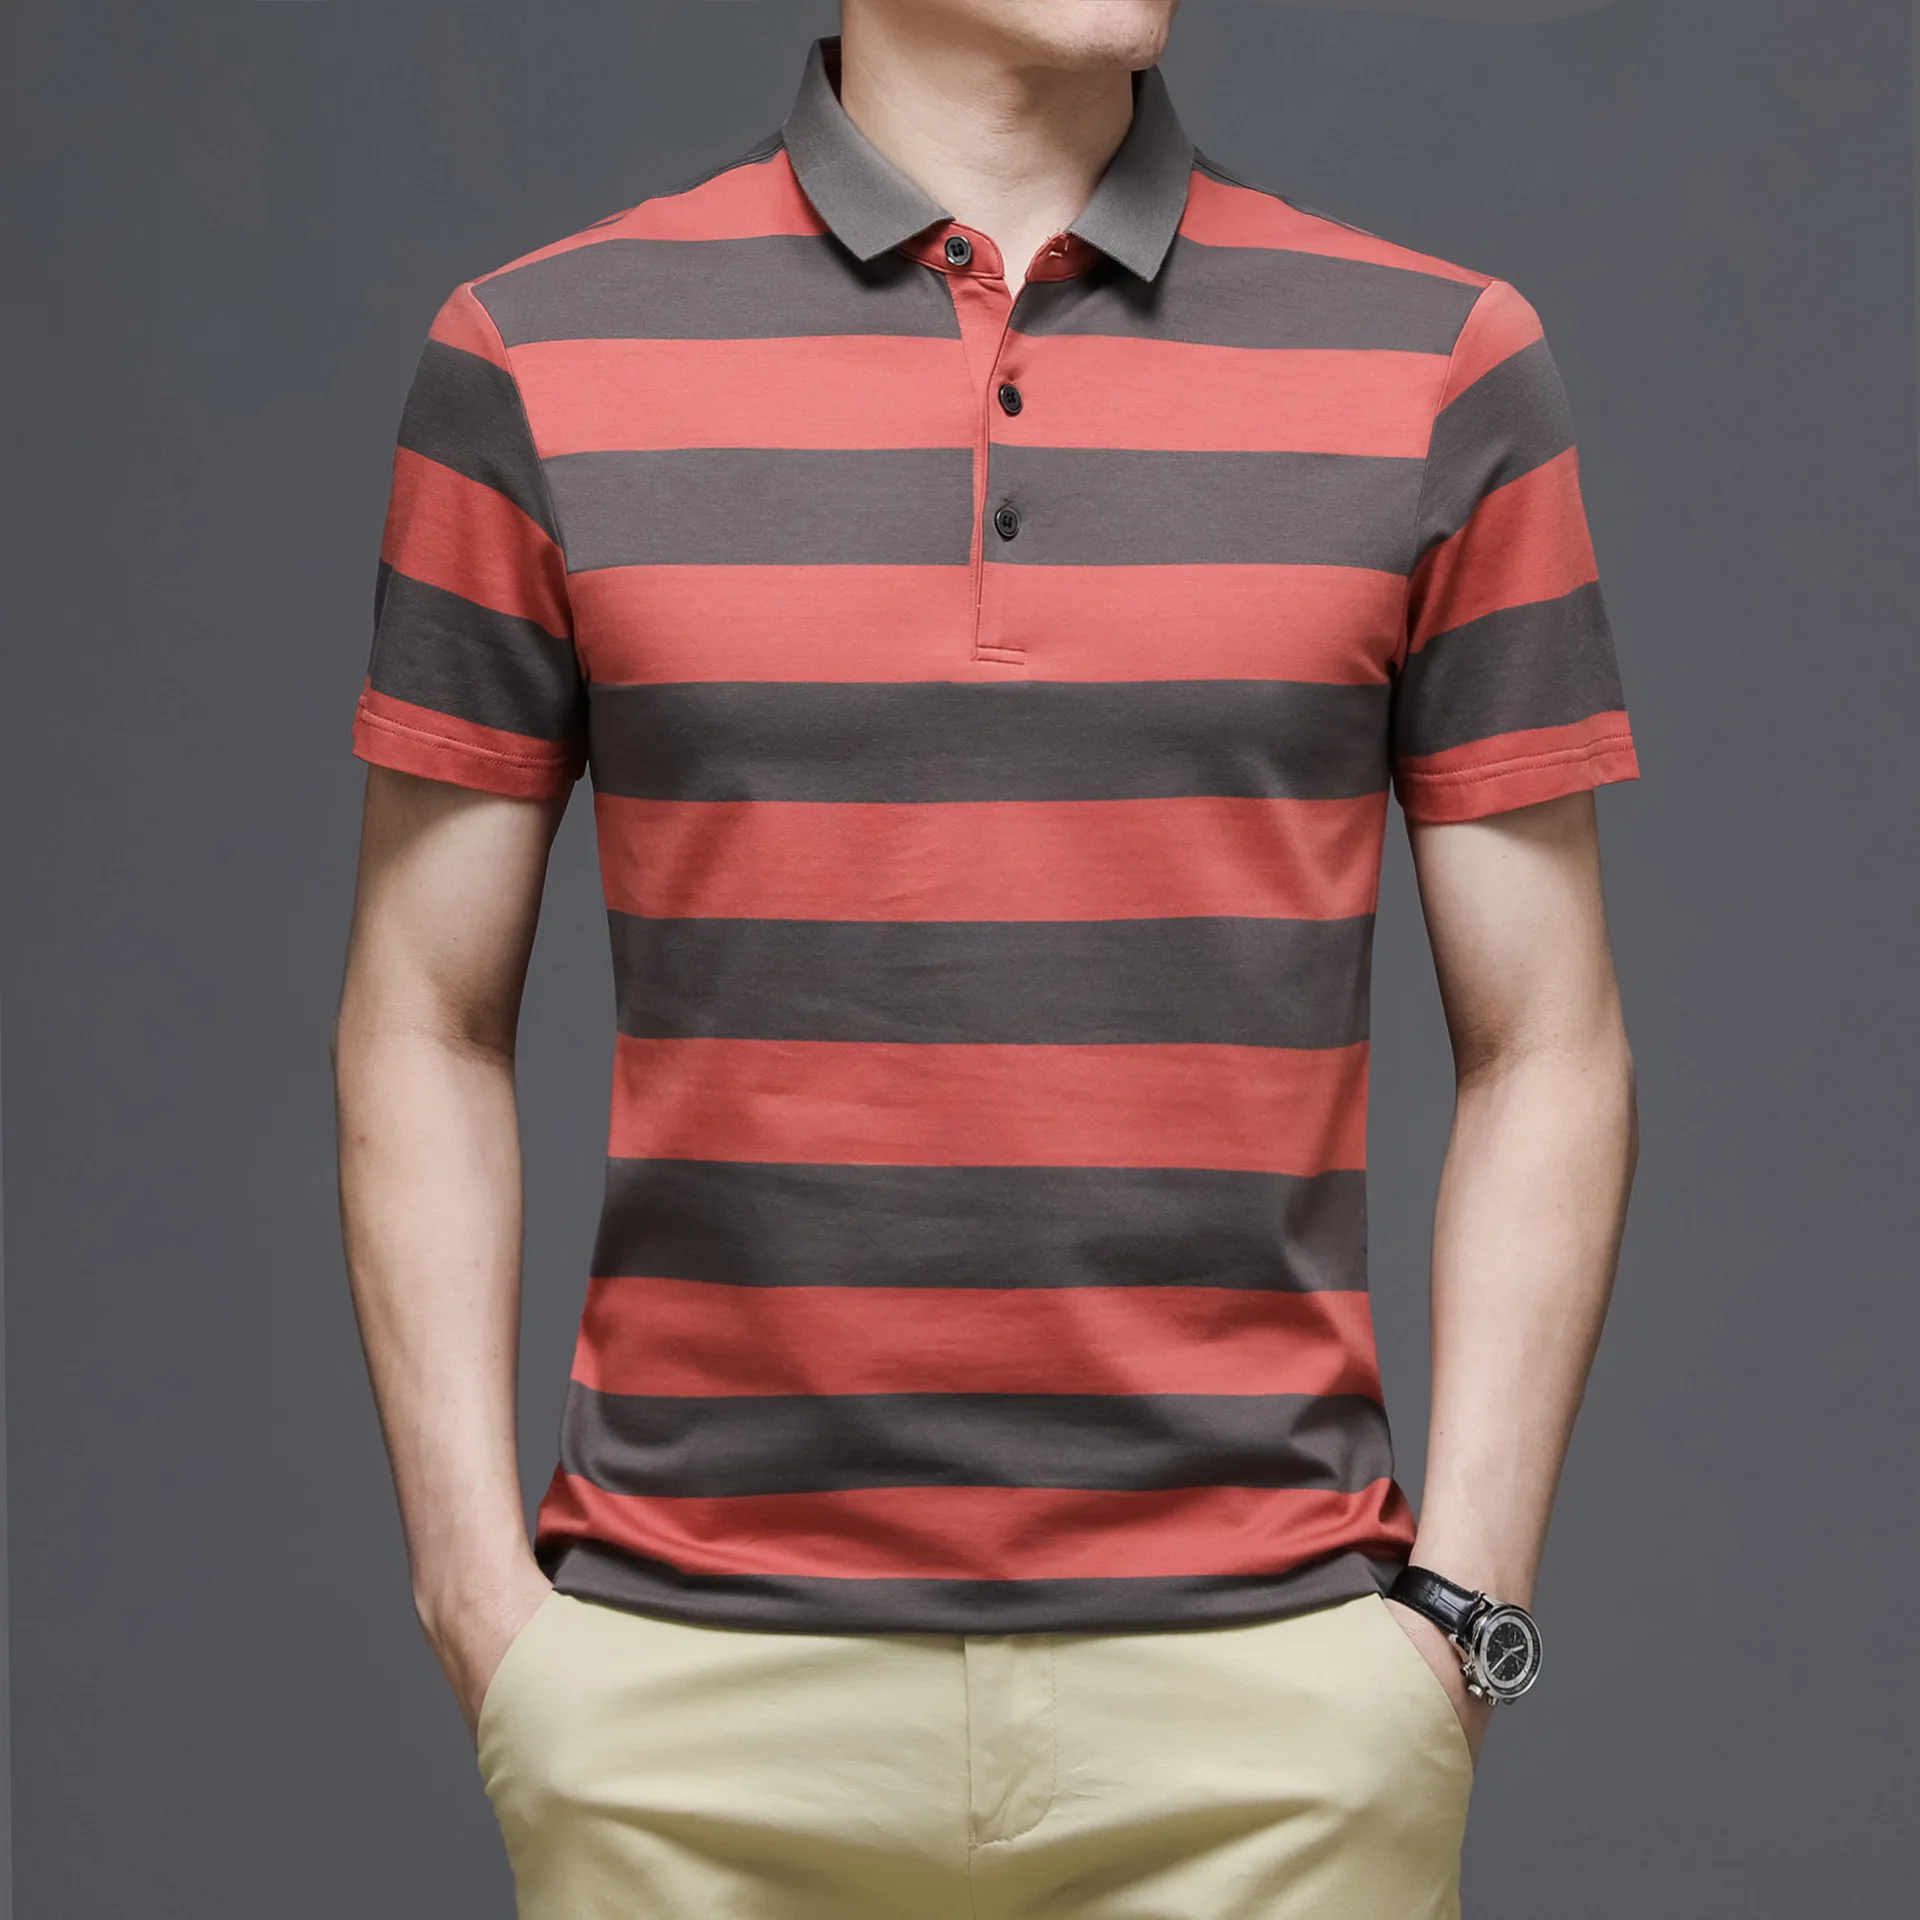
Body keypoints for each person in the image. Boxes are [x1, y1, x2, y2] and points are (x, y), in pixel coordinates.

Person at [332, 2, 1639, 1913]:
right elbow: (421, 1016)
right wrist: (478, 1600)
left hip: (1271, 1728)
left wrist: (1463, 1613)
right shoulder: (536, 355)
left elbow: (1551, 1040)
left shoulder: (1439, 364)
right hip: (687, 1718)